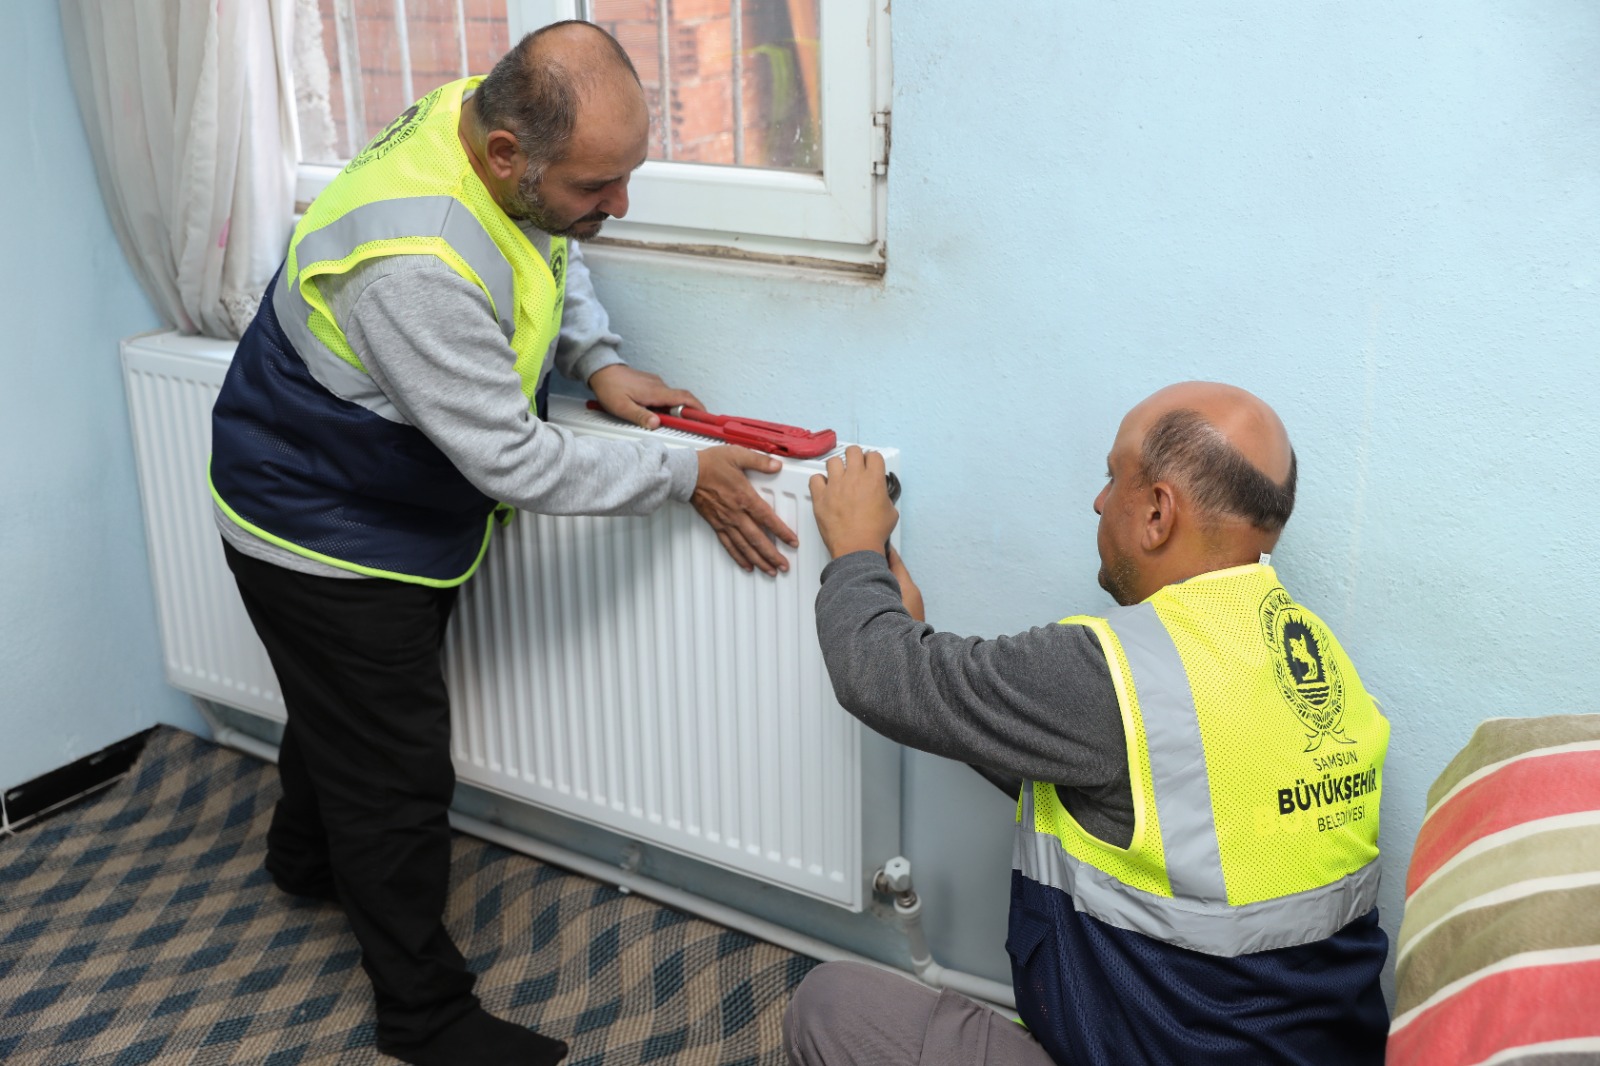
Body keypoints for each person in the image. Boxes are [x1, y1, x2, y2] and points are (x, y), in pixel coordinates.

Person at [208, 21, 796, 1066]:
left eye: (627, 175)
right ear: (507, 153)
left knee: (343, 714)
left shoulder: (478, 121)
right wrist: (683, 473)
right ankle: (424, 1018)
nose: (618, 205)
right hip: (316, 524)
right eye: (597, 185)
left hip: (362, 493)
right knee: (394, 776)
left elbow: (538, 247)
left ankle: (302, 858)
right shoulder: (414, 265)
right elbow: (514, 463)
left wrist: (595, 358)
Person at [789, 382, 1391, 1066]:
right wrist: (957, 693)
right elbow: (1141, 798)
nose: (1101, 502)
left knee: (829, 1006)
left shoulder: (1109, 671)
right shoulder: (1318, 665)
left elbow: (874, 673)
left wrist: (856, 550)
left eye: (1113, 477)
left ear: (1158, 512)